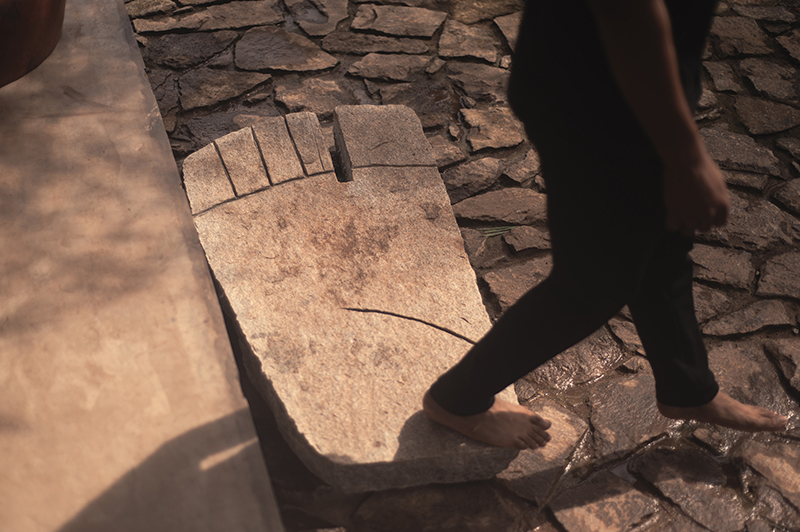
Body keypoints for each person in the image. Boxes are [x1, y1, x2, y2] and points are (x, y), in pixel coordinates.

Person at [423, 0, 788, 450]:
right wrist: (685, 156)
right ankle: (457, 398)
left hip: (636, 85)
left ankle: (687, 389)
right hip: (602, 99)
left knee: (663, 241)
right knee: (592, 283)